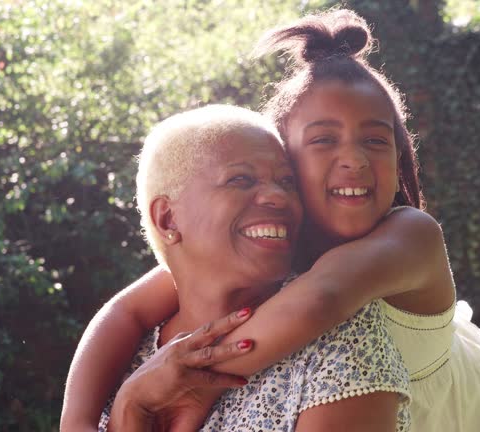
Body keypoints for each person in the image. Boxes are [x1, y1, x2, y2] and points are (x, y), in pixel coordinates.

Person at [61, 9, 480, 432]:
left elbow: (321, 298)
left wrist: (196, 383)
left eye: (375, 141)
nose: (353, 159)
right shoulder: (274, 239)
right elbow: (126, 312)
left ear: (399, 158)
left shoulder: (411, 235)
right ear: (286, 163)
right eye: (323, 141)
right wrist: (79, 420)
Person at [94, 104, 411, 431]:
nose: (278, 197)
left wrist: (131, 408)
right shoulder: (124, 359)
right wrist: (132, 404)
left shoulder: (339, 335)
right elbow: (121, 312)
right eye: (240, 179)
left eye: (288, 182)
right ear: (167, 218)